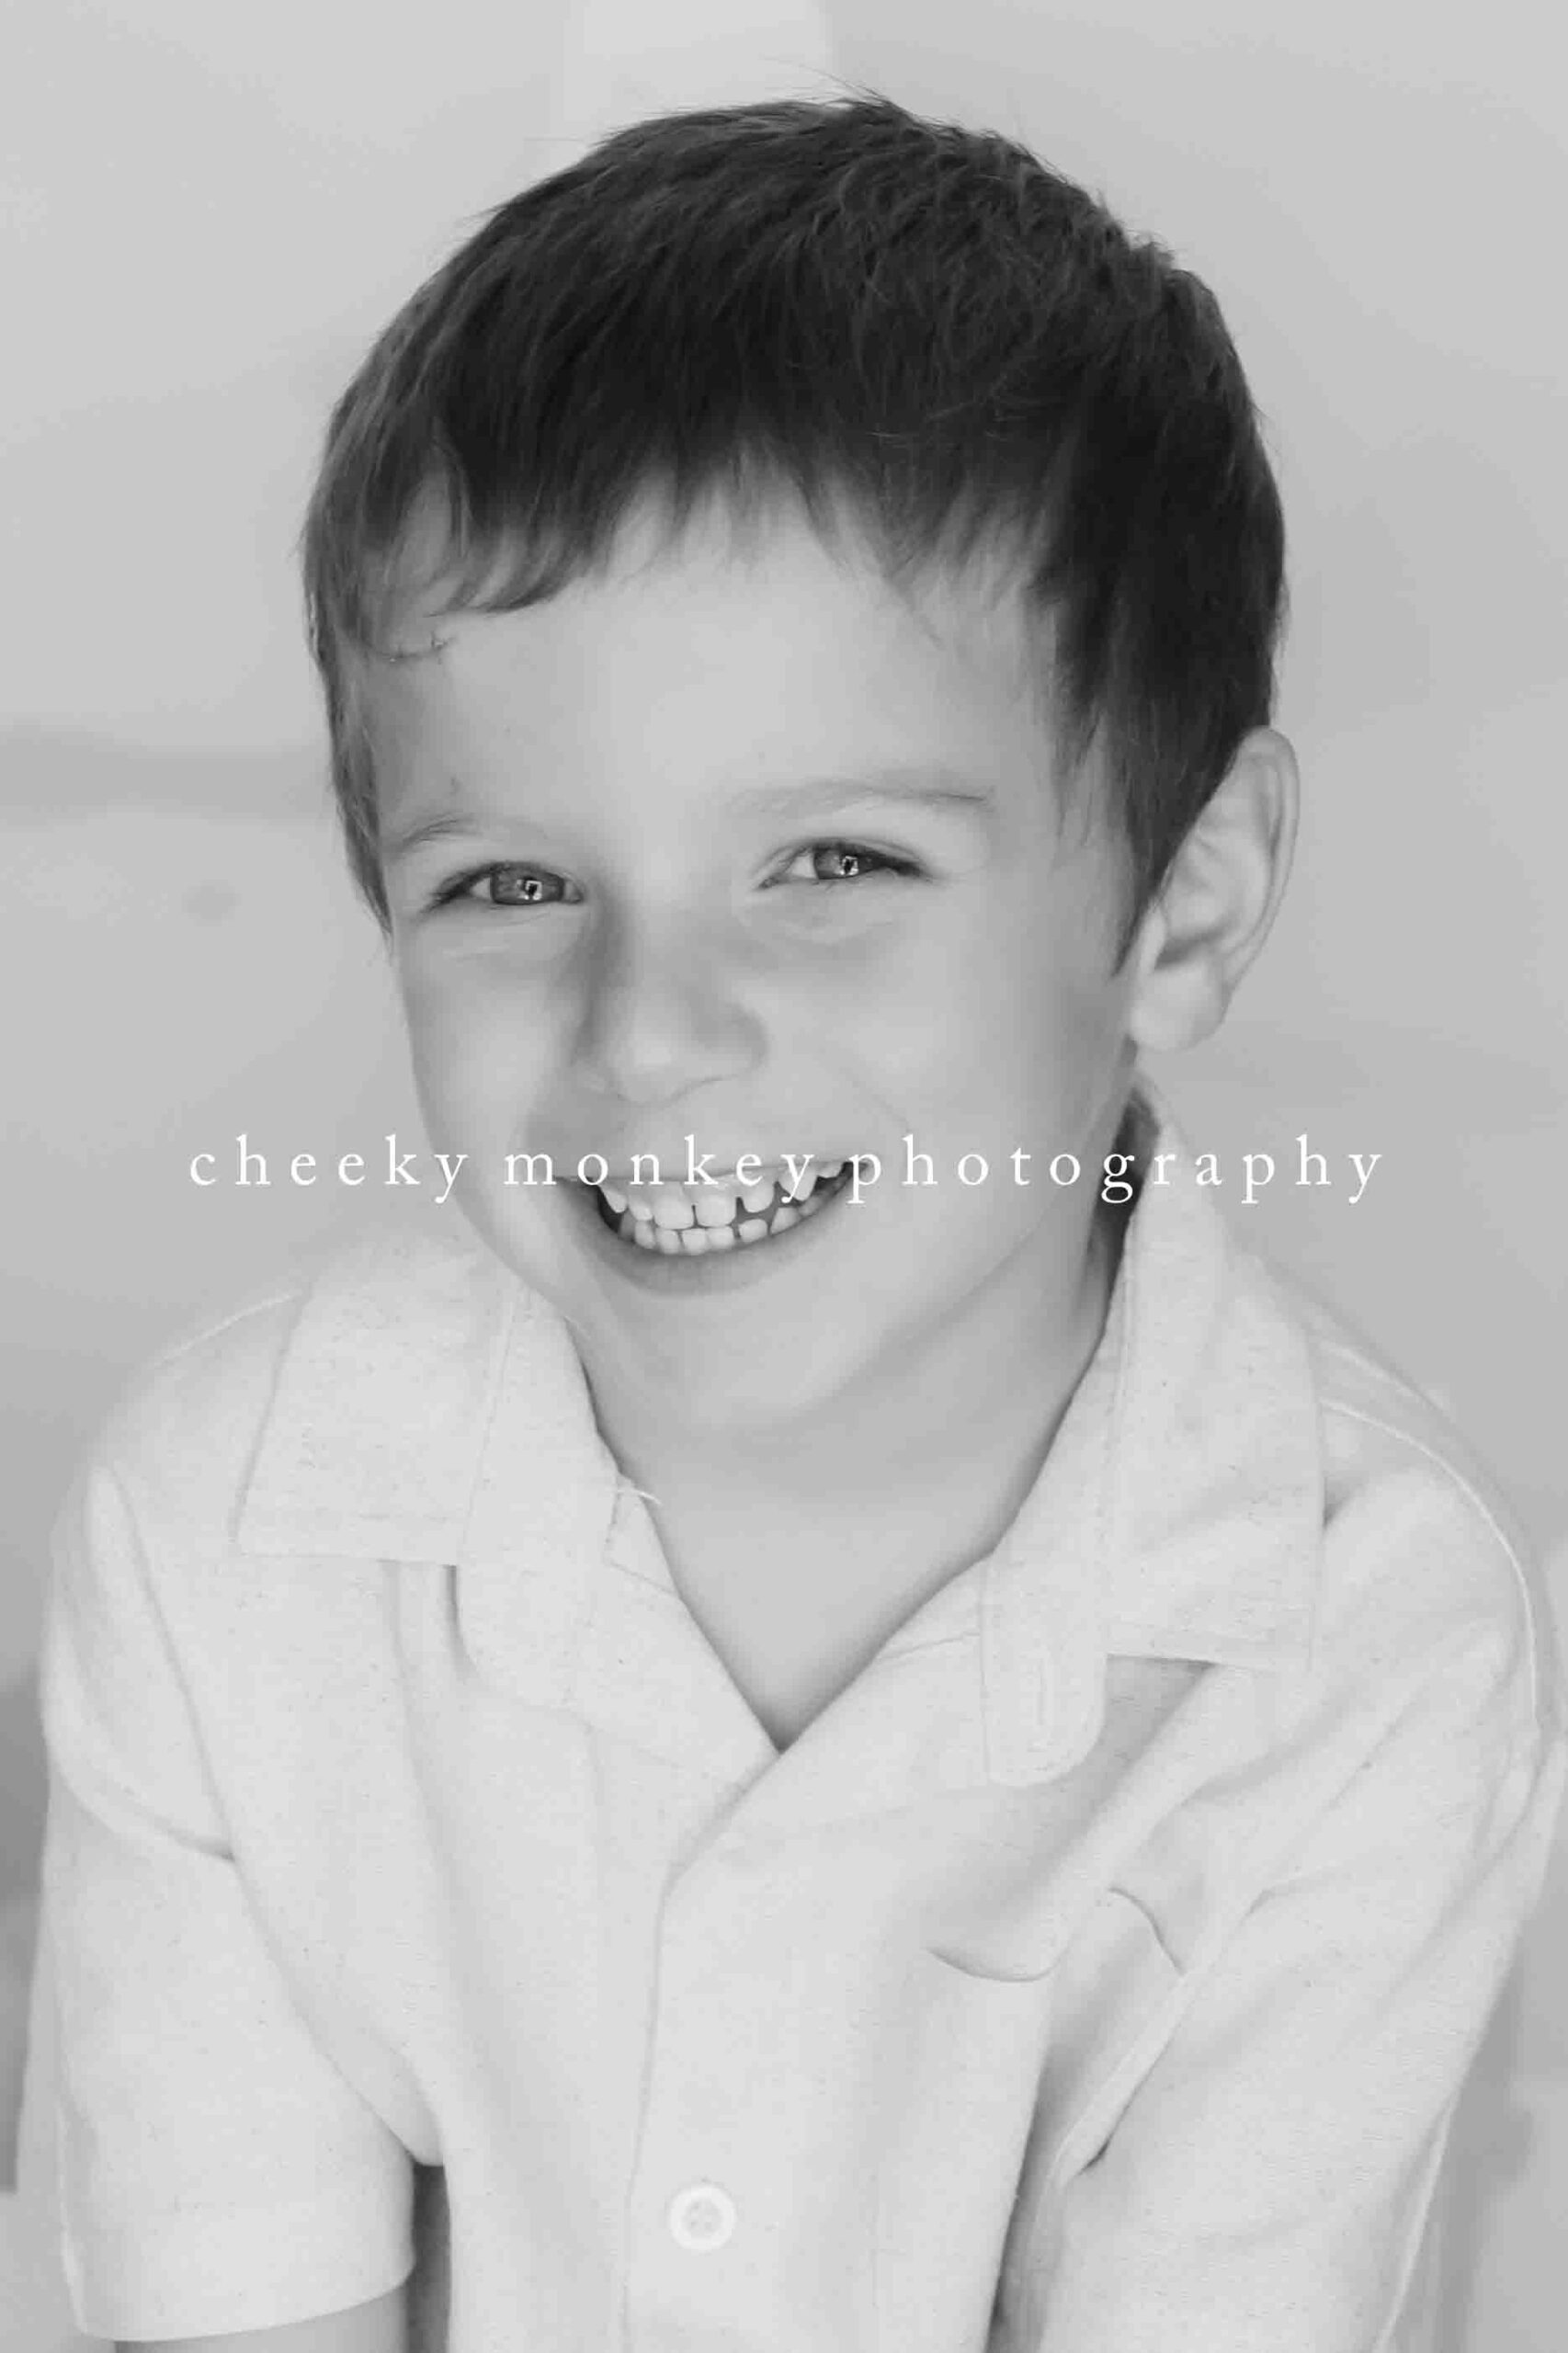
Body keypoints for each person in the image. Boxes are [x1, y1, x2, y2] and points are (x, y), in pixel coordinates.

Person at [32, 92, 1565, 2353]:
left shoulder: (1369, 1626)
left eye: (835, 862)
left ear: (1182, 904)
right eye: (509, 881)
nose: (647, 1030)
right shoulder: (218, 1532)